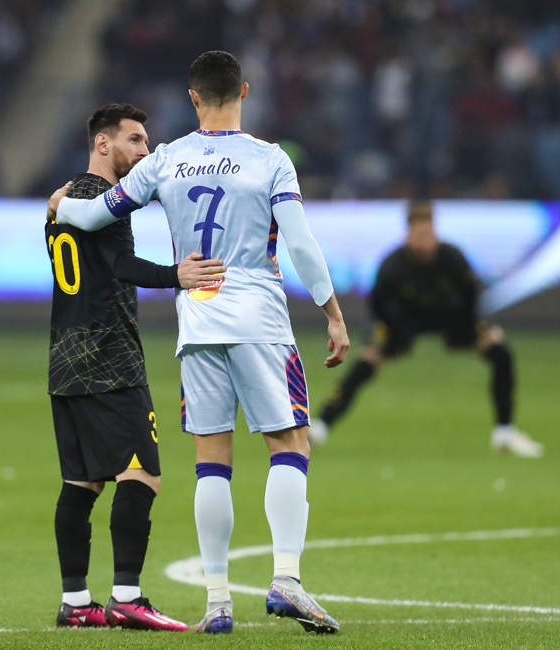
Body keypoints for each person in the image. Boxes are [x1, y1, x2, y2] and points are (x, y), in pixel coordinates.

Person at [47, 51, 349, 635]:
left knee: (212, 460)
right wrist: (332, 313)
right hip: (258, 316)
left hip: (198, 321)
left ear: (192, 97)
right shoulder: (270, 159)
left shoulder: (165, 160)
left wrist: (61, 203)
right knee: (289, 442)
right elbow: (301, 244)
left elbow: (94, 215)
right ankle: (286, 579)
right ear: (244, 91)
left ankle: (217, 601)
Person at [47, 103, 226, 632]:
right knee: (143, 475)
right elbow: (120, 265)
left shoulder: (62, 202)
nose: (144, 151)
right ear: (103, 144)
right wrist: (178, 276)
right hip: (109, 359)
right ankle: (127, 595)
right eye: (135, 140)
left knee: (81, 484)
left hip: (65, 359)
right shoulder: (99, 204)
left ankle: (76, 602)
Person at [306, 200, 544, 457]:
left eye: (429, 234)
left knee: (501, 352)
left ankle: (504, 434)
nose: (425, 242)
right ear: (408, 235)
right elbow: (377, 308)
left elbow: (471, 296)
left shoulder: (452, 258)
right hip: (403, 323)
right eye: (419, 235)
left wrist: (476, 328)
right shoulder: (393, 266)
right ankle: (320, 427)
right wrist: (385, 337)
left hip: (449, 319)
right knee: (364, 363)